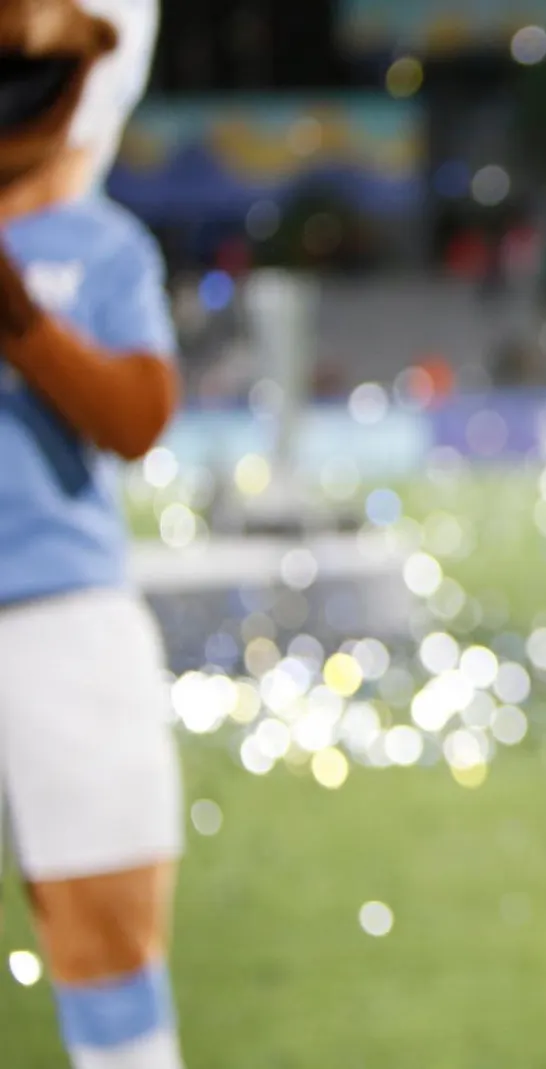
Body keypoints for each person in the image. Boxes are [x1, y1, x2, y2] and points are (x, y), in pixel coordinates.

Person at [0, 1, 187, 1068]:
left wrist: (22, 322)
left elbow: (136, 416)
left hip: (60, 613)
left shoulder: (99, 245)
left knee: (100, 918)